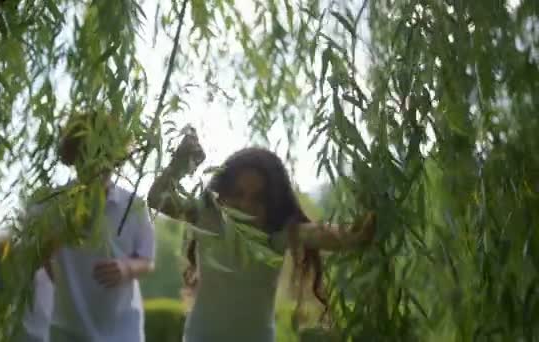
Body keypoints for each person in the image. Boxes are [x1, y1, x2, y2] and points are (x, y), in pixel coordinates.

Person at [147, 130, 376, 342]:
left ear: (273, 204)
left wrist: (368, 218)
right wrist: (180, 164)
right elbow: (157, 198)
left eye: (258, 199)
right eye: (238, 194)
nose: (246, 205)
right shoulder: (207, 219)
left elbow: (332, 236)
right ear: (222, 194)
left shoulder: (277, 236)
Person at [35, 111, 156, 342]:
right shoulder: (51, 205)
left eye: (105, 153)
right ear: (73, 156)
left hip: (123, 330)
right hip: (68, 329)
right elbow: (39, 256)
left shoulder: (134, 206)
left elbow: (147, 260)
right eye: (87, 153)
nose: (97, 163)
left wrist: (126, 268)